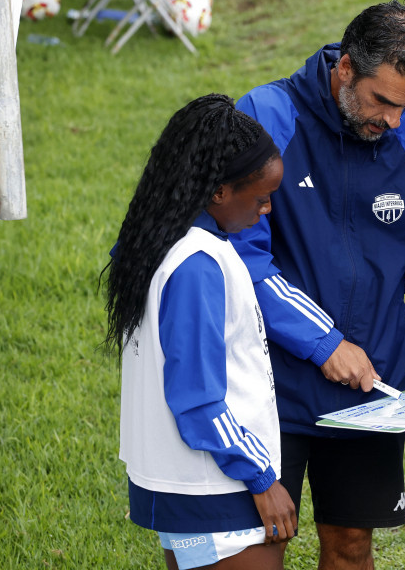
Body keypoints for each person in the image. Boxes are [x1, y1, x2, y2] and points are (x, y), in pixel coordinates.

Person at [228, 0, 405, 570]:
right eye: (384, 101)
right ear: (345, 67)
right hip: (270, 386)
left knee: (351, 549)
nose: (395, 120)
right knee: (256, 548)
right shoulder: (267, 117)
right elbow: (240, 258)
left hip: (368, 397)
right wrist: (323, 343)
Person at [101, 94, 297, 570]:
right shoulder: (199, 266)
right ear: (218, 192)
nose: (267, 209)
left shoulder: (158, 238)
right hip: (216, 489)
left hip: (186, 486)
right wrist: (262, 479)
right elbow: (197, 400)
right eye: (261, 196)